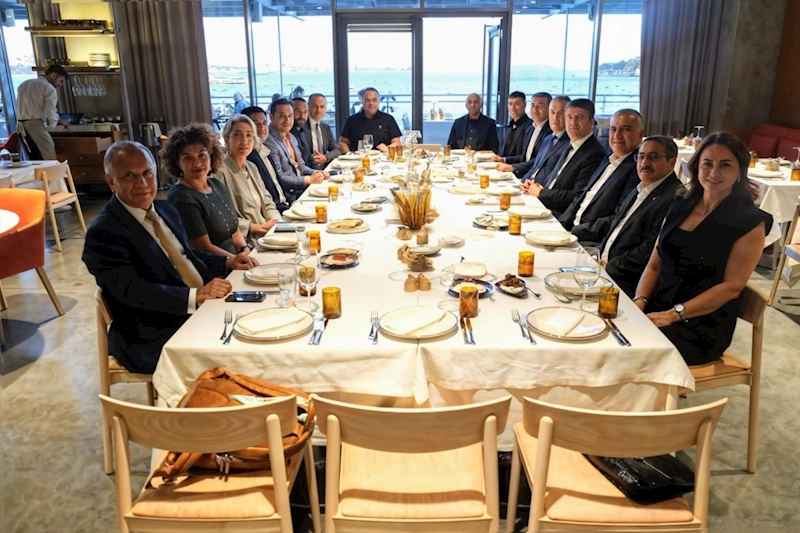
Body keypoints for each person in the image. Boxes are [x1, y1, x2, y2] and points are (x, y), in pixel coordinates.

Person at [82, 141, 253, 374]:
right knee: (242, 355)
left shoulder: (164, 210)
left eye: (147, 173)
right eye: (129, 175)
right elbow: (133, 291)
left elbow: (187, 256)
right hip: (154, 329)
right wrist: (195, 295)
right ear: (111, 181)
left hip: (202, 308)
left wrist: (227, 262)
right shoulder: (103, 233)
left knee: (260, 320)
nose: (142, 183)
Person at [634, 132, 772, 366]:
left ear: (740, 171)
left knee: (630, 350)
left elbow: (731, 287)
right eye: (707, 164)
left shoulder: (750, 221)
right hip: (658, 307)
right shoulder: (680, 204)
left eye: (725, 165)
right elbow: (654, 264)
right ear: (696, 167)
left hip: (700, 325)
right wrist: (639, 301)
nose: (714, 172)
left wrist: (673, 315)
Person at [577, 136, 683, 297]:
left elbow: (648, 251)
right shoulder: (642, 187)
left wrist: (608, 266)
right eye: (641, 156)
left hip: (624, 281)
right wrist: (576, 234)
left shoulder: (673, 198)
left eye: (653, 157)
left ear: (672, 162)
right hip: (602, 261)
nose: (645, 162)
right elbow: (616, 222)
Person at [162, 123, 259, 262]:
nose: (197, 163)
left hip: (238, 259)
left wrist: (245, 250)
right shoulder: (181, 196)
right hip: (217, 267)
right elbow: (203, 247)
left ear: (211, 156)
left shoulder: (217, 185)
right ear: (177, 162)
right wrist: (236, 260)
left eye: (202, 155)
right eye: (188, 158)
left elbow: (234, 231)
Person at [560, 109, 644, 232]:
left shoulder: (638, 170)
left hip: (588, 237)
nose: (617, 135)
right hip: (570, 227)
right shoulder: (607, 159)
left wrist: (575, 231)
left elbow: (618, 218)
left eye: (625, 129)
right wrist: (562, 223)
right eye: (613, 129)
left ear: (640, 134)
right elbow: (582, 196)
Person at [523, 98, 605, 219]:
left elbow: (576, 196)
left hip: (558, 214)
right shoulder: (570, 145)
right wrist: (535, 187)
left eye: (579, 118)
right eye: (569, 117)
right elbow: (554, 179)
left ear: (591, 122)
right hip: (544, 202)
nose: (573, 122)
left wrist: (542, 193)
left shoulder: (594, 153)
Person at [216, 115, 281, 247]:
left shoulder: (252, 167)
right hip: (246, 241)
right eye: (237, 135)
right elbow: (220, 216)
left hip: (268, 232)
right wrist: (253, 227)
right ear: (226, 139)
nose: (244, 141)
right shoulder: (219, 172)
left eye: (249, 135)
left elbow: (267, 199)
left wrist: (275, 220)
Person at [264, 98, 327, 202]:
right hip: (289, 196)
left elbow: (301, 166)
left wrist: (317, 172)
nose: (287, 120)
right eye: (282, 116)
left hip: (301, 189)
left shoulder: (292, 137)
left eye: (290, 116)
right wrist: (309, 179)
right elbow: (280, 178)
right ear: (271, 117)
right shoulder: (269, 141)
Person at [241, 105, 290, 212]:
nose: (262, 127)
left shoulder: (265, 151)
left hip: (285, 204)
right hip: (276, 210)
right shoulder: (249, 158)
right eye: (256, 124)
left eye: (264, 123)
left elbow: (277, 185)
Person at [15, 64, 70, 161]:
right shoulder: (48, 88)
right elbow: (50, 111)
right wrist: (57, 122)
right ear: (53, 75)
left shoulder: (23, 84)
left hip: (20, 126)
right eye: (60, 81)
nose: (60, 85)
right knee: (49, 157)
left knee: (34, 158)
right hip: (35, 126)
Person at [519, 95, 571, 183]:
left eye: (560, 113)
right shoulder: (548, 139)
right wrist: (523, 182)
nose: (555, 117)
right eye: (552, 112)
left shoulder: (569, 143)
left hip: (540, 188)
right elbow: (535, 168)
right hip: (528, 185)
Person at [494, 92, 551, 170]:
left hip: (527, 172)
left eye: (540, 106)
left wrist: (513, 167)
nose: (535, 110)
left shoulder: (549, 132)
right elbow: (524, 157)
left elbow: (538, 161)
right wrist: (503, 159)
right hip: (518, 169)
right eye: (533, 106)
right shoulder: (531, 129)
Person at [339, 87, 401, 153]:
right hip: (358, 157)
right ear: (362, 102)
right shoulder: (351, 120)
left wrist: (388, 148)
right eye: (367, 100)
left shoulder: (388, 119)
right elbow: (342, 142)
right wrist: (349, 154)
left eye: (374, 100)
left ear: (379, 102)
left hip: (382, 157)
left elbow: (397, 142)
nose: (371, 103)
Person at [306, 93, 342, 165]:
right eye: (315, 106)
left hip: (324, 166)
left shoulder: (325, 127)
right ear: (308, 107)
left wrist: (326, 157)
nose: (318, 110)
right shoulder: (301, 127)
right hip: (308, 167)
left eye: (322, 107)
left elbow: (337, 150)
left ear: (325, 109)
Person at [499, 91, 532, 159]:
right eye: (510, 104)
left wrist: (504, 160)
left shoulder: (530, 126)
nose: (513, 108)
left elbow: (525, 156)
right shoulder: (511, 125)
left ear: (525, 105)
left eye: (517, 104)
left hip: (515, 165)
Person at [290, 97, 318, 168]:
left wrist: (320, 171)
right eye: (298, 111)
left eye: (305, 112)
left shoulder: (301, 131)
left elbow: (310, 160)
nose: (302, 116)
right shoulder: (288, 135)